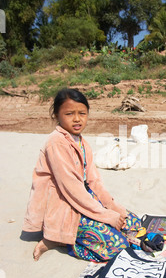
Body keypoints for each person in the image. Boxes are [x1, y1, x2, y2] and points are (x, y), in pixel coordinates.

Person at [21, 88, 141, 262]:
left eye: (82, 113)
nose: (77, 119)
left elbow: (94, 181)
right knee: (118, 245)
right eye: (69, 113)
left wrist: (114, 209)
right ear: (56, 115)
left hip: (84, 198)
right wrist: (106, 216)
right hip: (65, 204)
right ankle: (59, 239)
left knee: (132, 222)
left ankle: (70, 235)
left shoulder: (82, 142)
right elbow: (72, 189)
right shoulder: (56, 143)